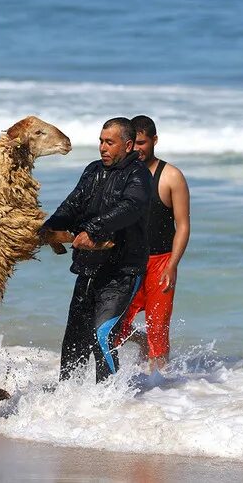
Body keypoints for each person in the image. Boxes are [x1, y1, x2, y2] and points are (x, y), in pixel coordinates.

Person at [40, 117, 152, 382]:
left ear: (127, 145)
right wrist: (48, 228)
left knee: (102, 336)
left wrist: (92, 231)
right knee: (74, 342)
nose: (102, 147)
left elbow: (130, 208)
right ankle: (69, 396)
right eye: (101, 141)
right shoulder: (93, 170)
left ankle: (110, 399)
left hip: (122, 272)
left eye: (109, 142)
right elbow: (72, 205)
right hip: (89, 267)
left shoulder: (139, 175)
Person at [115, 115, 190, 373]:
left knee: (158, 331)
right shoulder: (120, 175)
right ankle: (140, 342)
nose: (137, 149)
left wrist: (172, 265)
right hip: (128, 262)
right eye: (133, 143)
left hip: (161, 262)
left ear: (154, 140)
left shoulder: (171, 177)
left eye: (142, 143)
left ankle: (162, 387)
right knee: (115, 328)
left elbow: (183, 225)